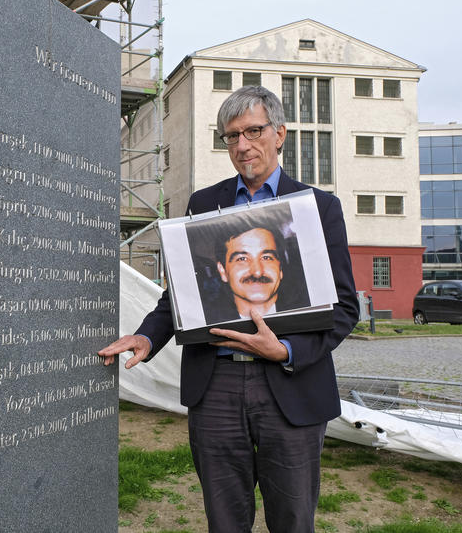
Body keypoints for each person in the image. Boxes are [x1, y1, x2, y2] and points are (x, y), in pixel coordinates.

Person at [98, 85, 359, 532]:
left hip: (290, 386)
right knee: (224, 521)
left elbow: (345, 306)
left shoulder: (319, 207)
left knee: (293, 521)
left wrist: (287, 351)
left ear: (279, 134)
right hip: (215, 385)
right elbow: (179, 295)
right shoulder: (204, 204)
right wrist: (146, 336)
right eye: (232, 136)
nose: (242, 145)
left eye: (253, 131)